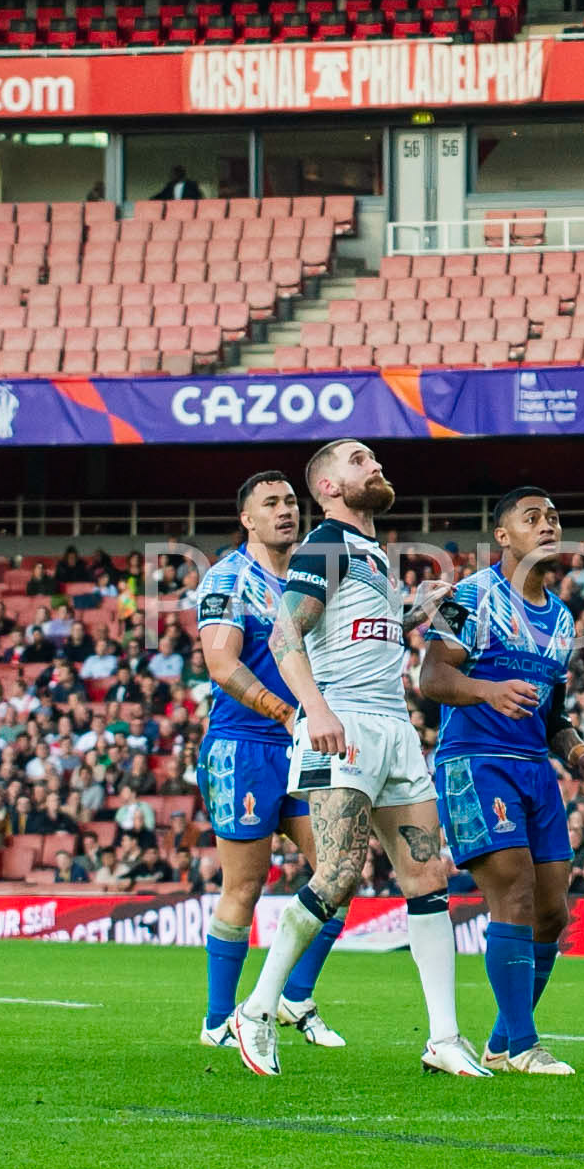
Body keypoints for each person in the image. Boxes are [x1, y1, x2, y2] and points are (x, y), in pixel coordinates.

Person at [228, 439, 486, 1079]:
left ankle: (445, 1038)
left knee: (428, 878)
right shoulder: (325, 544)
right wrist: (315, 710)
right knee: (338, 872)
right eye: (359, 460)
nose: (375, 465)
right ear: (330, 488)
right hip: (342, 721)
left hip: (392, 728)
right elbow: (286, 632)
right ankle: (258, 1009)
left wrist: (411, 610)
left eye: (375, 458)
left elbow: (359, 628)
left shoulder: (370, 553)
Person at [419, 488, 584, 1075]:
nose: (548, 524)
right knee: (514, 896)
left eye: (554, 516)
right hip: (475, 761)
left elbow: (552, 715)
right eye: (532, 518)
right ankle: (525, 1046)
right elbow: (432, 677)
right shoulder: (467, 597)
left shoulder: (561, 618)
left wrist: (579, 752)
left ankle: (504, 1041)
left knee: (553, 913)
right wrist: (488, 690)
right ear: (503, 537)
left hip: (535, 768)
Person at [196, 472, 347, 1051]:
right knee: (246, 884)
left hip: (307, 746)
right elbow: (221, 663)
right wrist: (286, 712)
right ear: (248, 520)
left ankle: (293, 997)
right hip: (246, 746)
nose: (286, 511)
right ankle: (217, 1022)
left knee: (340, 872)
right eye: (271, 504)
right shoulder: (229, 578)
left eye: (290, 501)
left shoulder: (313, 578)